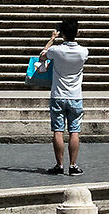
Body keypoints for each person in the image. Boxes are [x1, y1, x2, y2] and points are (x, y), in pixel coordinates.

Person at [37, 18, 90, 176]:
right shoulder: (83, 51)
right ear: (77, 33)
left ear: (62, 34)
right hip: (75, 96)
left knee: (58, 131)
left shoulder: (56, 50)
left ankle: (59, 165)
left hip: (58, 95)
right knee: (74, 131)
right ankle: (73, 165)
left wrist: (52, 39)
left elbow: (42, 56)